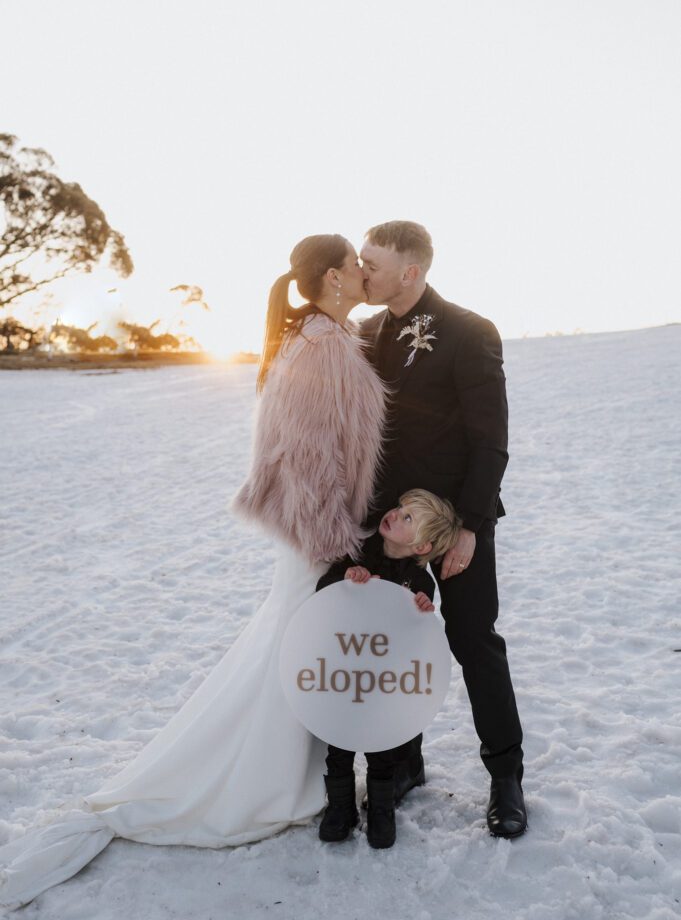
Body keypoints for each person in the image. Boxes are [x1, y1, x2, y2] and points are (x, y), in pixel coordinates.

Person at [0, 234, 387, 910]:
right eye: (354, 261)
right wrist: (336, 543)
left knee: (291, 648)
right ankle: (262, 782)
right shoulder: (319, 347)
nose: (363, 270)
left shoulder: (329, 338)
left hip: (322, 535)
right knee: (291, 650)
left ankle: (293, 777)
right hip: (319, 537)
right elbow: (306, 456)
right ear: (331, 276)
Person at [358, 220, 527, 839]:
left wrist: (470, 528)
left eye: (372, 261)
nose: (362, 270)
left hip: (457, 517)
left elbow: (491, 438)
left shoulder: (468, 330)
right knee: (395, 638)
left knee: (474, 639)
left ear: (412, 270)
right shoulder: (366, 329)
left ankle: (506, 777)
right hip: (387, 525)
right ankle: (405, 764)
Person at [314, 489, 461, 850]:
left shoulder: (420, 583)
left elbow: (416, 636)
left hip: (384, 682)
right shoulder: (358, 556)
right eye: (400, 508)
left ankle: (382, 812)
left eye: (408, 518)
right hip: (345, 674)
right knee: (340, 745)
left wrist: (423, 611)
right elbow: (322, 592)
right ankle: (341, 808)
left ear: (422, 547)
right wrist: (346, 579)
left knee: (383, 748)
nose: (394, 515)